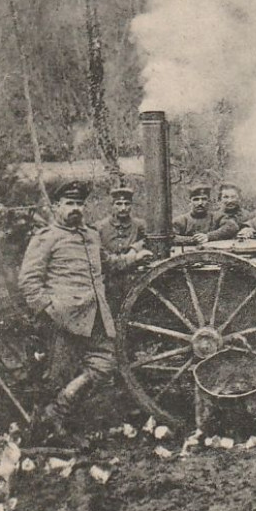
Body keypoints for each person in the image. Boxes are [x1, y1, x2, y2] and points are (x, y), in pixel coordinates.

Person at [18, 180, 152, 443]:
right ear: (56, 207)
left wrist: (133, 258)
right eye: (69, 203)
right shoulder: (46, 238)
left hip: (95, 315)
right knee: (59, 374)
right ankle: (50, 432)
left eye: (79, 203)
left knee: (106, 363)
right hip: (62, 319)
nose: (75, 208)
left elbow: (108, 264)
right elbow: (28, 281)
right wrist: (48, 310)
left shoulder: (90, 235)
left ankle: (56, 412)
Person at [95, 185, 148, 308]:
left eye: (127, 204)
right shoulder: (100, 227)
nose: (123, 208)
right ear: (112, 205)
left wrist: (135, 248)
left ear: (131, 205)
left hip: (134, 277)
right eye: (118, 204)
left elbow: (149, 239)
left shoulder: (139, 225)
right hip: (109, 279)